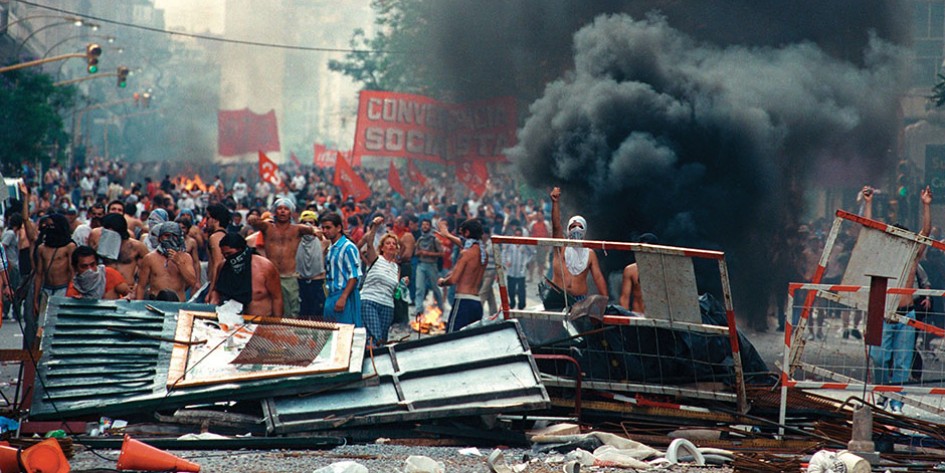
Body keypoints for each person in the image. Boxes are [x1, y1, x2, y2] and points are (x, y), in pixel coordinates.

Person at [870, 185, 932, 413]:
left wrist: (926, 205)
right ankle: (882, 394)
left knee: (902, 363)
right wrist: (867, 204)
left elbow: (925, 231)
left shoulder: (913, 257)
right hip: (883, 314)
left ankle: (895, 402)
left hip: (907, 315)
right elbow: (868, 233)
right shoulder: (883, 257)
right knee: (878, 357)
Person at [247, 198, 317, 317]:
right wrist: (252, 219)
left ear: (291, 212)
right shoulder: (268, 227)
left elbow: (314, 230)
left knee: (292, 310)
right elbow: (255, 222)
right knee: (270, 308)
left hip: (289, 276)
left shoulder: (297, 229)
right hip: (270, 275)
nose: (283, 211)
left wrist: (315, 231)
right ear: (275, 211)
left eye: (286, 209)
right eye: (280, 209)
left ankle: (288, 334)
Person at [547, 187, 608, 306]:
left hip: (579, 299)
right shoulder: (561, 246)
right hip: (557, 297)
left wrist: (605, 301)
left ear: (584, 230)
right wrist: (555, 203)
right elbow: (556, 226)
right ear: (568, 229)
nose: (576, 229)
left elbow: (598, 277)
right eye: (573, 226)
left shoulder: (589, 253)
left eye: (580, 226)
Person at [209, 232, 283, 316]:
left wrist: (277, 324)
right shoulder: (223, 267)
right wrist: (213, 302)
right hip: (230, 320)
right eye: (224, 254)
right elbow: (216, 290)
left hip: (261, 322)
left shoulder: (265, 267)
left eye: (229, 254)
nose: (227, 257)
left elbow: (277, 298)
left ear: (240, 249)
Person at [437, 218, 486, 332]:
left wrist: (443, 281)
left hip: (463, 302)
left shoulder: (466, 253)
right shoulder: (484, 253)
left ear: (467, 233)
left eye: (462, 233)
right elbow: (464, 243)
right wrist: (447, 235)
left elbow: (453, 280)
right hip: (477, 303)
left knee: (452, 338)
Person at [359, 216, 401, 346]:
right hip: (370, 300)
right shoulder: (375, 259)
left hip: (387, 305)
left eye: (394, 244)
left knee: (382, 338)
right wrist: (374, 228)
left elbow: (395, 290)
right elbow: (369, 243)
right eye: (388, 243)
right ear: (382, 247)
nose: (391, 246)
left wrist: (403, 284)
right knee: (375, 336)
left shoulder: (396, 267)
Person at [135, 222, 197, 302]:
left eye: (174, 236)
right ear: (160, 238)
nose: (170, 239)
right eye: (167, 235)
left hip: (178, 304)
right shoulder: (150, 258)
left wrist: (179, 262)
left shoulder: (186, 257)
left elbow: (192, 282)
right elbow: (141, 286)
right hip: (156, 303)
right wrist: (138, 306)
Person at [321, 212, 363, 326]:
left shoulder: (348, 247)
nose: (325, 231)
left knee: (345, 333)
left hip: (345, 295)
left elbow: (354, 275)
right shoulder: (330, 248)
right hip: (331, 295)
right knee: (330, 334)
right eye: (323, 228)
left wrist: (343, 297)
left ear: (339, 228)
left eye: (328, 227)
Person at [33, 213, 76, 315]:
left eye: (52, 226)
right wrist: (35, 299)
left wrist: (70, 293)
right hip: (46, 289)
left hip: (63, 289)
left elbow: (72, 272)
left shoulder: (69, 247)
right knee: (42, 323)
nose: (49, 229)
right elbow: (39, 274)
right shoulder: (41, 248)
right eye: (47, 226)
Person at [296, 210, 327, 318]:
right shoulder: (295, 240)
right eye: (305, 223)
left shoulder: (324, 241)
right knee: (302, 315)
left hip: (317, 281)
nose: (308, 225)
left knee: (317, 315)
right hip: (300, 282)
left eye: (311, 222)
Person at [619, 233, 658, 313]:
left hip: (657, 316)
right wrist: (625, 317)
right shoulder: (630, 270)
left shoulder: (662, 270)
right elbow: (624, 298)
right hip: (637, 314)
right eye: (641, 249)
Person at [414, 218, 443, 310]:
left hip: (431, 265)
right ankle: (418, 309)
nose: (424, 226)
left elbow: (441, 253)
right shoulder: (420, 239)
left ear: (430, 226)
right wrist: (420, 253)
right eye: (423, 225)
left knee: (435, 288)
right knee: (419, 288)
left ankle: (440, 306)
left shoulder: (435, 240)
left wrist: (429, 254)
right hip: (421, 264)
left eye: (426, 224)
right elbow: (416, 252)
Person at [502, 226, 534, 310]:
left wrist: (527, 262)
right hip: (511, 270)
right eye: (516, 235)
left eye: (520, 235)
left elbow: (532, 253)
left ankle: (521, 305)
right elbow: (504, 252)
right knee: (511, 289)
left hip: (521, 271)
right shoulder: (510, 244)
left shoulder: (525, 245)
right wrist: (505, 262)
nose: (518, 236)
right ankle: (512, 302)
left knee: (521, 290)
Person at [204, 203, 231, 297]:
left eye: (207, 218)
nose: (205, 222)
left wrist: (212, 290)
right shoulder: (222, 235)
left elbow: (218, 264)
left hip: (217, 286)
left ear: (215, 220)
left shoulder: (215, 237)